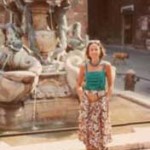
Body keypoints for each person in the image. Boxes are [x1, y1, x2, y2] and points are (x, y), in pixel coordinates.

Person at [76, 40, 113, 150]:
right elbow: (78, 85)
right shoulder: (84, 66)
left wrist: (106, 100)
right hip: (87, 101)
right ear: (88, 52)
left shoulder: (106, 65)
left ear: (100, 50)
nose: (94, 51)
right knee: (87, 129)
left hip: (101, 100)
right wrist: (83, 97)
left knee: (100, 130)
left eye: (96, 49)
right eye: (91, 49)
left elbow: (110, 85)